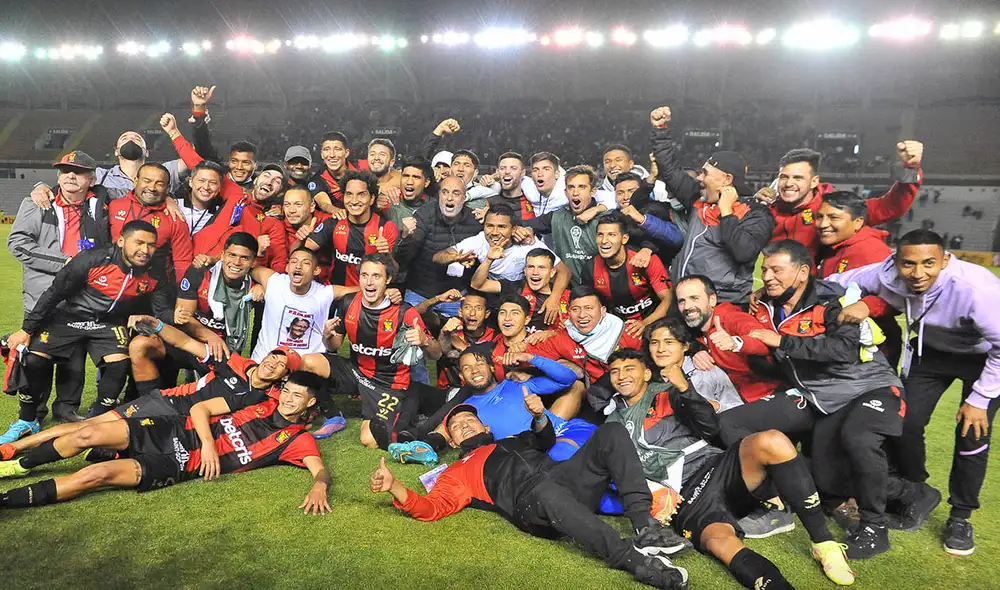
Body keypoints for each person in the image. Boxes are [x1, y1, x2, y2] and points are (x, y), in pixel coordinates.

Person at [602, 350, 856, 589]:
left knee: (772, 441)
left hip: (717, 467)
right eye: (615, 371)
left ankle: (824, 543)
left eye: (629, 369)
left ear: (646, 373)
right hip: (686, 497)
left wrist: (684, 388)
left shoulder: (667, 392)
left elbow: (710, 426)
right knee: (721, 544)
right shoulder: (612, 423)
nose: (622, 376)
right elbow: (621, 473)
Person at [369, 402, 690, 590]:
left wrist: (539, 416)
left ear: (484, 424)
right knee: (544, 490)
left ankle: (644, 526)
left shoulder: (514, 439)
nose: (464, 426)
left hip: (565, 480)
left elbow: (544, 437)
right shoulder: (458, 471)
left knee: (611, 431)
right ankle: (634, 560)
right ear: (452, 441)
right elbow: (431, 507)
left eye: (469, 420)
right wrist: (396, 487)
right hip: (531, 504)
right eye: (456, 426)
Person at [828, 229, 1000, 556]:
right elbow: (839, 280)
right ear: (896, 261)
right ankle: (915, 491)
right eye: (908, 264)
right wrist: (860, 301)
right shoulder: (886, 273)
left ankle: (961, 517)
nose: (917, 274)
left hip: (984, 357)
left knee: (972, 433)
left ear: (946, 261)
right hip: (929, 354)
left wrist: (979, 400)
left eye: (929, 264)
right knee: (902, 424)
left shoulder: (976, 290)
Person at [749, 239, 918, 558]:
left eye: (776, 269)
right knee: (828, 479)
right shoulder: (769, 305)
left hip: (870, 387)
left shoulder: (832, 300)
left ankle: (874, 529)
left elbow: (843, 350)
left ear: (801, 273)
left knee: (859, 439)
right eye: (764, 269)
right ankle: (914, 493)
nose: (767, 276)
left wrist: (781, 341)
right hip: (831, 400)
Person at [0, 371, 331, 517]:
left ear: (309, 405)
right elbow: (201, 408)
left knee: (95, 476)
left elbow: (320, 471)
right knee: (85, 434)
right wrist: (211, 445)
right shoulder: (259, 403)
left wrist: (319, 487)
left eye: (296, 396)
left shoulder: (297, 440)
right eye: (286, 391)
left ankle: (4, 500)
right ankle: (18, 465)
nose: (287, 399)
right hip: (171, 429)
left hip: (180, 462)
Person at [1, 315, 300, 461]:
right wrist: (156, 325)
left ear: (283, 377)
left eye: (281, 365)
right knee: (91, 426)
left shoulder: (266, 397)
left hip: (178, 428)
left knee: (107, 442)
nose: (273, 364)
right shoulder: (232, 363)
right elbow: (184, 342)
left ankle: (100, 452)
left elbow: (297, 407)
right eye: (274, 356)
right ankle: (15, 449)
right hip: (166, 405)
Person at [2, 221, 174, 440]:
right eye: (138, 243)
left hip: (108, 323)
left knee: (119, 364)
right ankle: (27, 421)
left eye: (151, 245)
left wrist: (177, 320)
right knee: (34, 359)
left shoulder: (155, 271)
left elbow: (162, 310)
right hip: (68, 317)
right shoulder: (93, 259)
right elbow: (55, 293)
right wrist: (27, 329)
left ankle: (99, 419)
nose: (145, 250)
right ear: (121, 241)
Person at [301, 254, 443, 450]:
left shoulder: (404, 312)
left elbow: (437, 354)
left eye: (376, 276)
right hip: (356, 372)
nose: (369, 282)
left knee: (369, 439)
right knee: (307, 362)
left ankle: (412, 414)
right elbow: (334, 346)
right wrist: (326, 336)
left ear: (388, 280)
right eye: (364, 275)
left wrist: (425, 340)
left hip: (389, 384)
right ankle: (333, 415)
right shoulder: (348, 303)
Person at [7, 150, 108, 423]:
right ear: (58, 177)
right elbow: (17, 243)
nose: (71, 176)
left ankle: (66, 407)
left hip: (82, 297)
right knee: (37, 356)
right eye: (65, 171)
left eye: (78, 171)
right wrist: (66, 263)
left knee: (74, 356)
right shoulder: (37, 203)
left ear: (91, 178)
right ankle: (33, 412)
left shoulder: (102, 204)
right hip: (42, 295)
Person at [649, 106, 775, 306]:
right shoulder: (698, 199)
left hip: (725, 307)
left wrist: (726, 212)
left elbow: (744, 253)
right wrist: (660, 130)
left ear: (727, 179)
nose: (699, 178)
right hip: (685, 301)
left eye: (705, 173)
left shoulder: (757, 213)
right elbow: (671, 170)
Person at [129, 232, 259, 392]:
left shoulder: (258, 283)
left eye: (244, 258)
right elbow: (185, 319)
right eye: (232, 255)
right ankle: (149, 403)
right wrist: (210, 336)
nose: (236, 262)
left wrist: (261, 286)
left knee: (220, 397)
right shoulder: (200, 272)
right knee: (140, 345)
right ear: (223, 255)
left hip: (222, 351)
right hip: (185, 340)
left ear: (253, 262)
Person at [770, 143, 923, 256]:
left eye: (798, 178)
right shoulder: (766, 208)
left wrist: (909, 169)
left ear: (814, 181)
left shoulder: (834, 206)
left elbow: (889, 208)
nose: (789, 183)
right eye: (784, 177)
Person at [814, 191, 902, 366]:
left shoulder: (872, 250)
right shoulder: (833, 247)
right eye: (819, 216)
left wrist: (867, 305)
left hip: (871, 345)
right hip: (841, 339)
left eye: (833, 217)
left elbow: (897, 294)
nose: (823, 224)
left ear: (858, 222)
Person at [395, 176, 482, 318]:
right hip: (420, 293)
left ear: (464, 197)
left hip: (456, 296)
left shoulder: (475, 222)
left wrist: (472, 262)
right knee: (409, 332)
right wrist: (405, 237)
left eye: (456, 193)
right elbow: (402, 259)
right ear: (438, 195)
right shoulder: (424, 215)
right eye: (445, 192)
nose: (449, 198)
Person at [249, 248, 357, 361]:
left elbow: (362, 290)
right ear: (287, 267)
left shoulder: (324, 293)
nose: (298, 266)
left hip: (305, 368)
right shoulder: (273, 281)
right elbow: (246, 267)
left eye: (306, 263)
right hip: (264, 361)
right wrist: (256, 284)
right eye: (294, 262)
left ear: (316, 270)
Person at [580, 212, 672, 338]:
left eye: (611, 235)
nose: (604, 241)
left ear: (624, 238)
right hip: (617, 329)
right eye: (600, 235)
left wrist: (644, 323)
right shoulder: (590, 267)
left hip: (653, 324)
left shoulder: (646, 260)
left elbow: (668, 299)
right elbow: (589, 304)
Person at [304, 171, 398, 287]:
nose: (354, 200)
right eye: (349, 194)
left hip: (369, 296)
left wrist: (387, 254)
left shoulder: (385, 228)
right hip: (337, 294)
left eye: (361, 194)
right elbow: (304, 252)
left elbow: (394, 272)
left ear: (372, 199)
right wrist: (302, 235)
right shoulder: (334, 223)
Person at [435, 203, 565, 285]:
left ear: (514, 229)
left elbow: (564, 272)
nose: (495, 232)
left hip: (523, 294)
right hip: (494, 292)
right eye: (489, 226)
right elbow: (438, 257)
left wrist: (553, 299)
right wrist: (455, 257)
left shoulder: (528, 242)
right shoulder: (479, 241)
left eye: (501, 227)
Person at [107, 162, 194, 283]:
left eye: (159, 184)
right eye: (147, 181)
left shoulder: (175, 217)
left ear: (167, 188)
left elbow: (182, 262)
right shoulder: (114, 205)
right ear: (135, 180)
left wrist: (183, 295)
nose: (152, 188)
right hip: (110, 282)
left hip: (151, 289)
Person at [520, 165, 608, 284]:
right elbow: (523, 224)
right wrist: (524, 230)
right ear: (566, 192)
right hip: (567, 287)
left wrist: (644, 248)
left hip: (602, 287)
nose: (575, 193)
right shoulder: (556, 216)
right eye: (571, 187)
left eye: (582, 187)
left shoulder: (607, 217)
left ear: (593, 191)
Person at [471, 247, 569, 333]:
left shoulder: (565, 296)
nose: (535, 272)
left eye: (541, 268)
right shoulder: (514, 288)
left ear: (552, 272)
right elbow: (477, 285)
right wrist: (488, 260)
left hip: (550, 349)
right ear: (525, 271)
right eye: (531, 267)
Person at [611, 172, 685, 267]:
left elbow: (676, 238)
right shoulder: (613, 216)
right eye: (620, 193)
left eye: (631, 191)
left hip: (661, 269)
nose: (626, 197)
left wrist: (643, 220)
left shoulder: (657, 208)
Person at [436, 293, 496, 388]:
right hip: (451, 388)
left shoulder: (495, 336)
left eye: (478, 308)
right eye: (467, 307)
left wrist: (463, 347)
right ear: (460, 312)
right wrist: (444, 333)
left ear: (487, 314)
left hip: (481, 388)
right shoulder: (452, 329)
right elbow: (442, 351)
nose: (472, 313)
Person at [308, 131, 368, 218]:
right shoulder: (317, 179)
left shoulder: (361, 166)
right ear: (322, 154)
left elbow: (390, 173)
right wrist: (337, 211)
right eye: (327, 149)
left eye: (337, 149)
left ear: (346, 153)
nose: (332, 155)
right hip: (340, 221)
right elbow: (324, 204)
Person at [282, 185, 332, 282]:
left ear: (312, 206)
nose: (291, 210)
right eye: (287, 205)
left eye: (298, 205)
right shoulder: (281, 224)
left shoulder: (328, 222)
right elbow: (288, 260)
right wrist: (301, 239)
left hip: (328, 282)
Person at [176, 160, 225, 238]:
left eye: (212, 182)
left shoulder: (222, 212)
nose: (206, 187)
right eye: (201, 181)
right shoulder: (175, 205)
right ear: (190, 182)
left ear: (219, 188)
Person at [486, 151, 535, 225]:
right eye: (502, 168)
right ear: (497, 172)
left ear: (522, 173)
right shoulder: (489, 203)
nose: (507, 171)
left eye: (513, 168)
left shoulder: (535, 202)